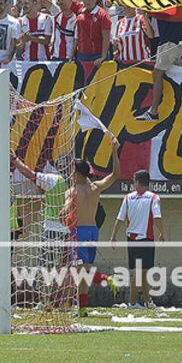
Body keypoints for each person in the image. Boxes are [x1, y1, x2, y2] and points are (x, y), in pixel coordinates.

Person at [71, 132, 120, 313]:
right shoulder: (96, 187)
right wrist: (114, 152)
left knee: (77, 271)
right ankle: (82, 307)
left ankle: (105, 279)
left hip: (80, 232)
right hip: (93, 231)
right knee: (81, 270)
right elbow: (115, 175)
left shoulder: (73, 190)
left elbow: (66, 210)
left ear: (76, 173)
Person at [109, 169, 164, 308]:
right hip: (145, 239)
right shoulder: (153, 197)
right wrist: (162, 233)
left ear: (138, 182)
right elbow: (157, 217)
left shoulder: (128, 197)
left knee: (144, 271)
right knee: (140, 273)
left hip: (131, 240)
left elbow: (120, 219)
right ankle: (132, 302)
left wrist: (113, 236)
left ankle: (147, 301)